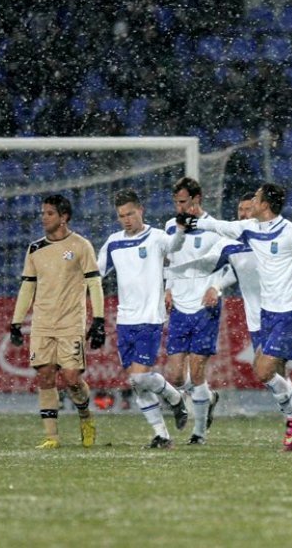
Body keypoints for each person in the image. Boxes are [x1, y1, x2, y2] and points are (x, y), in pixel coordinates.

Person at [183, 183, 292, 451]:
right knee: (269, 372)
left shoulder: (291, 232)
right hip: (267, 314)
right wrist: (195, 221)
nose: (251, 202)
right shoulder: (251, 229)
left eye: (254, 198)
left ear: (265, 204)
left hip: (290, 313)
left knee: (263, 370)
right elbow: (220, 226)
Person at [9, 194, 105, 449]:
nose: (44, 217)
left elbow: (94, 283)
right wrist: (16, 321)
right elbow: (27, 287)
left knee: (72, 378)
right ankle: (52, 437)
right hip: (42, 323)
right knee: (45, 376)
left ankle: (86, 417)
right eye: (43, 212)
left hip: (71, 322)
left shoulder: (81, 245)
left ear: (64, 217)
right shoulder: (35, 248)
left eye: (49, 213)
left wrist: (98, 319)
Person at [97, 188, 189, 449]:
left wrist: (181, 230)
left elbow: (174, 246)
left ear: (141, 211)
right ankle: (162, 435)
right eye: (121, 216)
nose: (126, 219)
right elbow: (95, 271)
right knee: (137, 383)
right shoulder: (114, 242)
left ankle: (173, 397)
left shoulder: (157, 237)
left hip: (150, 316)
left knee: (139, 377)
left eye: (130, 213)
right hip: (125, 319)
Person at [163, 177, 232, 445]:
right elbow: (171, 260)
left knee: (197, 369)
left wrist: (215, 287)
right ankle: (209, 397)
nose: (178, 207)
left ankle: (199, 432)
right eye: (176, 202)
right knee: (178, 376)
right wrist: (168, 287)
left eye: (183, 201)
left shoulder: (214, 229)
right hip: (180, 305)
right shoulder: (171, 226)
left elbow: (227, 265)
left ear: (197, 199)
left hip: (205, 306)